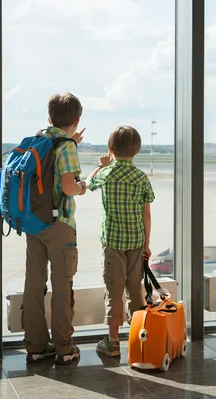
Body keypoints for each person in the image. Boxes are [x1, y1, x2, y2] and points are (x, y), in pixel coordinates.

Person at [23, 92, 86, 365]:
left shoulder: (38, 139)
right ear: (76, 119)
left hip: (33, 223)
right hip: (59, 224)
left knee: (34, 284)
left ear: (49, 118)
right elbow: (69, 186)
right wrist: (82, 188)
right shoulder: (67, 147)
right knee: (62, 286)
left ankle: (36, 347)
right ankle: (64, 348)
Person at [86, 125, 155, 357]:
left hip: (113, 242)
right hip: (136, 242)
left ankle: (113, 342)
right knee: (135, 290)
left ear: (110, 150)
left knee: (114, 291)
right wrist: (146, 244)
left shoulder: (107, 174)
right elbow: (147, 214)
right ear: (137, 151)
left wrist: (99, 166)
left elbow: (87, 184)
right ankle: (139, 340)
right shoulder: (141, 177)